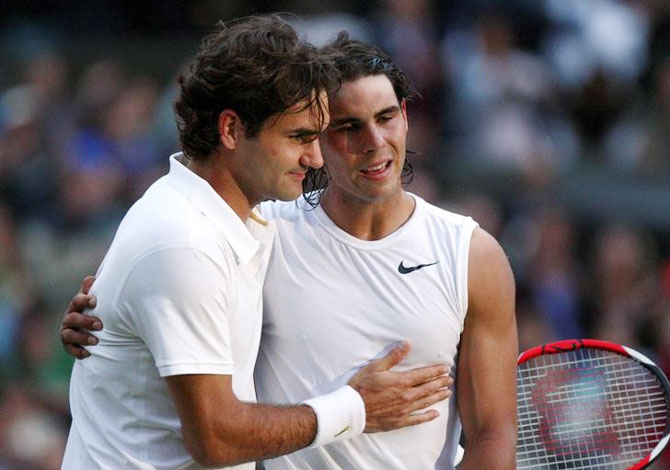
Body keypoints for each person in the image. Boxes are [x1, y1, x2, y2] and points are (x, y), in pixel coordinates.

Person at [61, 32, 517, 469]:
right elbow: (168, 275)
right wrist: (104, 321)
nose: (375, 143)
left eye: (385, 118)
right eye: (347, 127)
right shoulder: (260, 232)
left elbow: (494, 438)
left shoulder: (471, 255)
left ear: (405, 115)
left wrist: (112, 319)